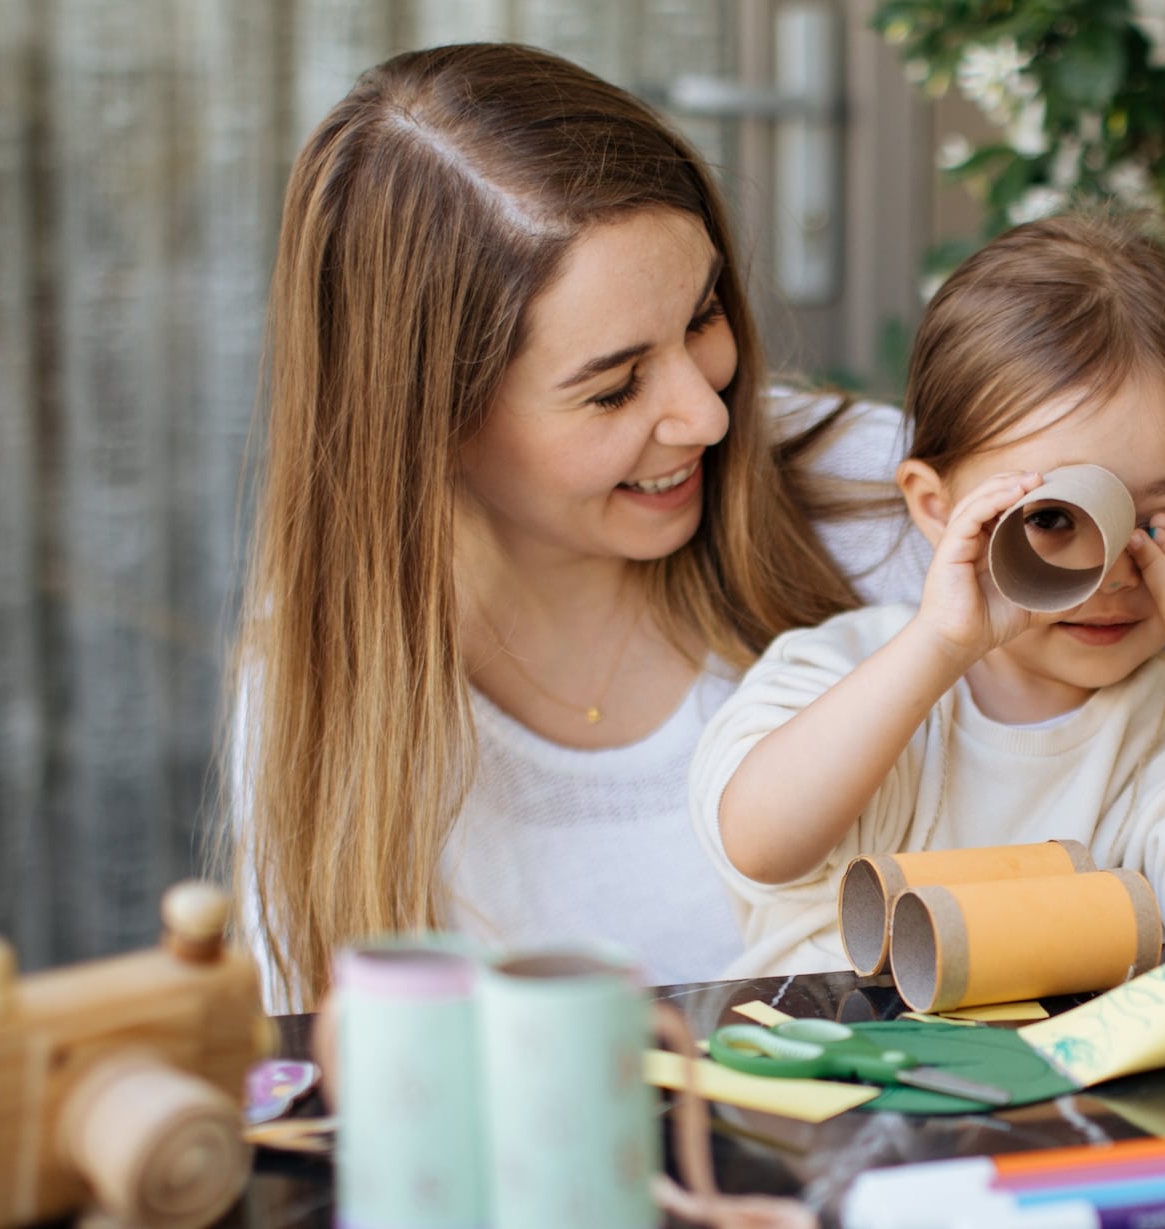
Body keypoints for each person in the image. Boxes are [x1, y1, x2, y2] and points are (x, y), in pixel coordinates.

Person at [226, 43, 924, 1011]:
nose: (707, 416)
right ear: (432, 423)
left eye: (703, 314)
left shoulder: (888, 503)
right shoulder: (327, 680)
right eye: (613, 387)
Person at [692, 211, 1165, 977]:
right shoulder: (846, 671)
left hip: (1064, 1088)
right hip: (838, 1080)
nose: (1108, 572)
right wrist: (940, 646)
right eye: (1051, 518)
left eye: (1157, 518)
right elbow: (760, 844)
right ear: (938, 507)